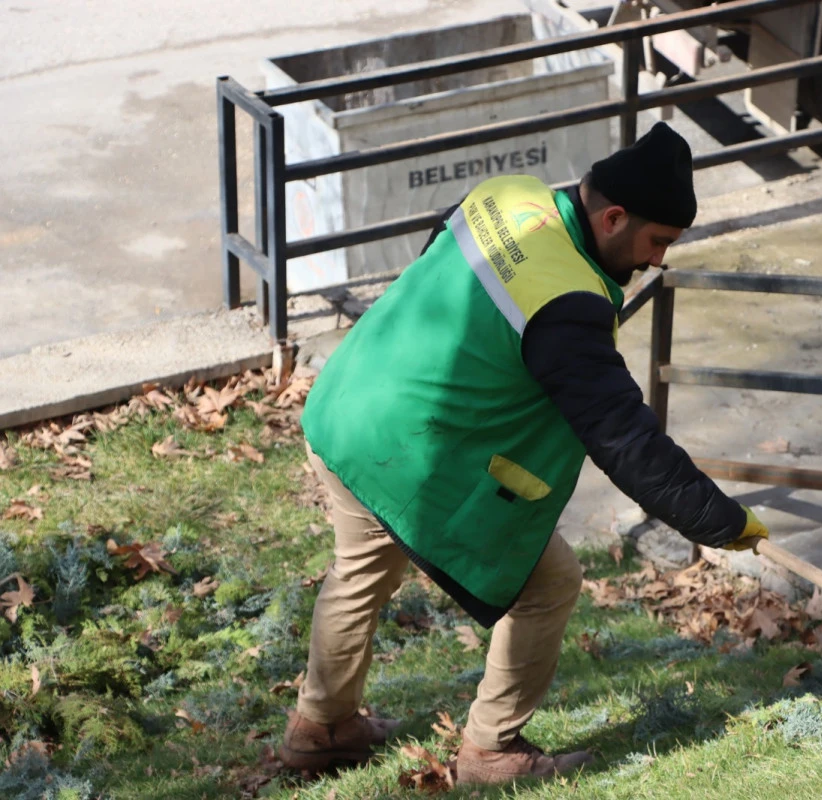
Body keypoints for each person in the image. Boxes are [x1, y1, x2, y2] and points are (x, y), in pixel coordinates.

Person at [281, 122, 770, 784]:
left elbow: (436, 264)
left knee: (361, 567)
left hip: (347, 405)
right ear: (614, 218)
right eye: (657, 241)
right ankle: (491, 750)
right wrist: (722, 522)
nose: (657, 260)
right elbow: (624, 439)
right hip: (408, 450)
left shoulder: (508, 197)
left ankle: (320, 727)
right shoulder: (566, 300)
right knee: (550, 583)